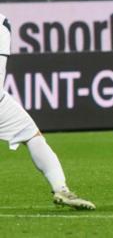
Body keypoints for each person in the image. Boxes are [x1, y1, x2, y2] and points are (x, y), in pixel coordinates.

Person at [0, 13, 95, 210]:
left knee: (32, 135)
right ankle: (61, 189)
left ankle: (62, 189)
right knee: (33, 137)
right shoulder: (2, 22)